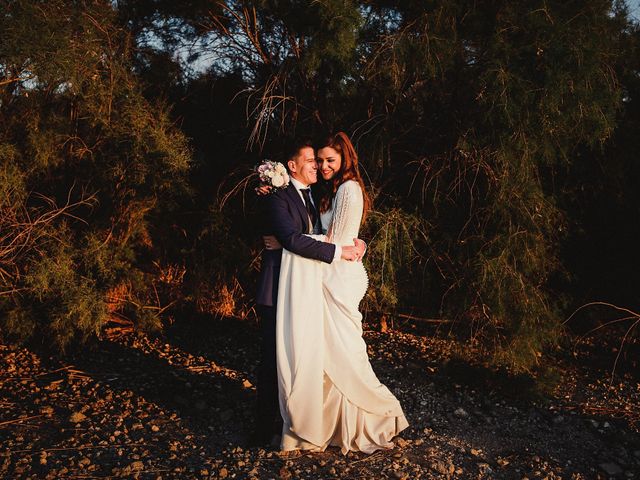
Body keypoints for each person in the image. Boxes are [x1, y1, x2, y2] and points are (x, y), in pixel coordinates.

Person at [272, 132, 408, 454]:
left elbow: (335, 241)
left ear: (345, 158)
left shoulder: (348, 188)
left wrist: (287, 240)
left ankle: (373, 417)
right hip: (331, 271)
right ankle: (333, 424)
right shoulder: (330, 190)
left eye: (330, 160)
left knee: (344, 352)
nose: (324, 166)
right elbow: (336, 238)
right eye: (319, 161)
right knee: (330, 352)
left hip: (338, 279)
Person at [252, 139, 366, 446]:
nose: (318, 165)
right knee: (273, 360)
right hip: (277, 288)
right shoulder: (277, 195)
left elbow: (324, 232)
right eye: (311, 160)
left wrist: (356, 245)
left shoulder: (315, 194)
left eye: (321, 161)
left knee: (297, 354)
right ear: (292, 166)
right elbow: (292, 238)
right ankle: (266, 430)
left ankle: (296, 417)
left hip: (304, 289)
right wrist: (338, 251)